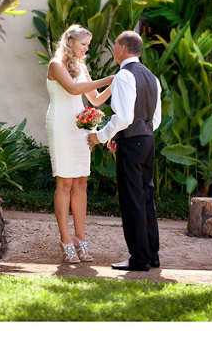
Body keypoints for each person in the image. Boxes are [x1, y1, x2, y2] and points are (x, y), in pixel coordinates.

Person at [88, 30, 162, 271]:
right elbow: (155, 119)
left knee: (132, 201)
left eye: (115, 45)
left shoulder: (123, 76)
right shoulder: (152, 77)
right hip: (147, 142)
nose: (113, 50)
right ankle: (151, 255)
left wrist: (99, 137)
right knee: (146, 197)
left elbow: (124, 117)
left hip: (133, 145)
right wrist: (123, 136)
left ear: (122, 48)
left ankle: (139, 259)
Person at [46, 24, 114, 263]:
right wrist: (109, 78)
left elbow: (94, 100)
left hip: (79, 126)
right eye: (84, 44)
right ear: (70, 42)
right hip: (61, 125)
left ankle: (80, 239)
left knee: (82, 181)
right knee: (64, 182)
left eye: (88, 44)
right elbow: (74, 88)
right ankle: (66, 241)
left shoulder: (82, 66)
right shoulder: (55, 65)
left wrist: (114, 85)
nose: (87, 48)